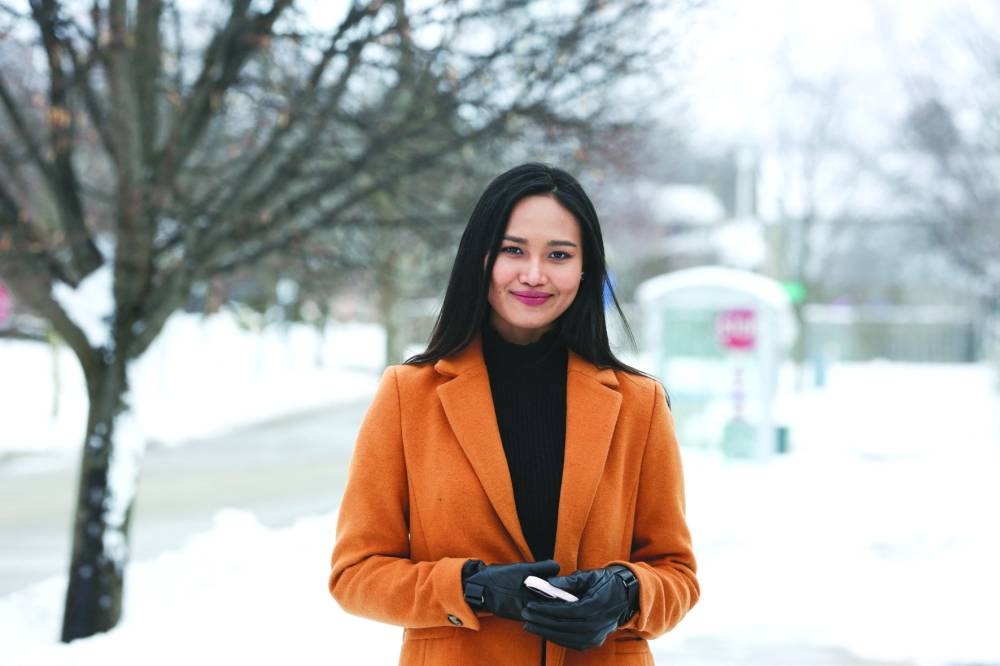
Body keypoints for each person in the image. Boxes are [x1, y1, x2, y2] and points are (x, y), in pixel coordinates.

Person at [329, 163, 698, 665]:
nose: (534, 274)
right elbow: (356, 574)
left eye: (559, 255)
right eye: (513, 250)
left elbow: (677, 573)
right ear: (480, 258)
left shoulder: (639, 403)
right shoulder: (408, 396)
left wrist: (627, 591)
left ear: (585, 268)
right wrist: (471, 587)